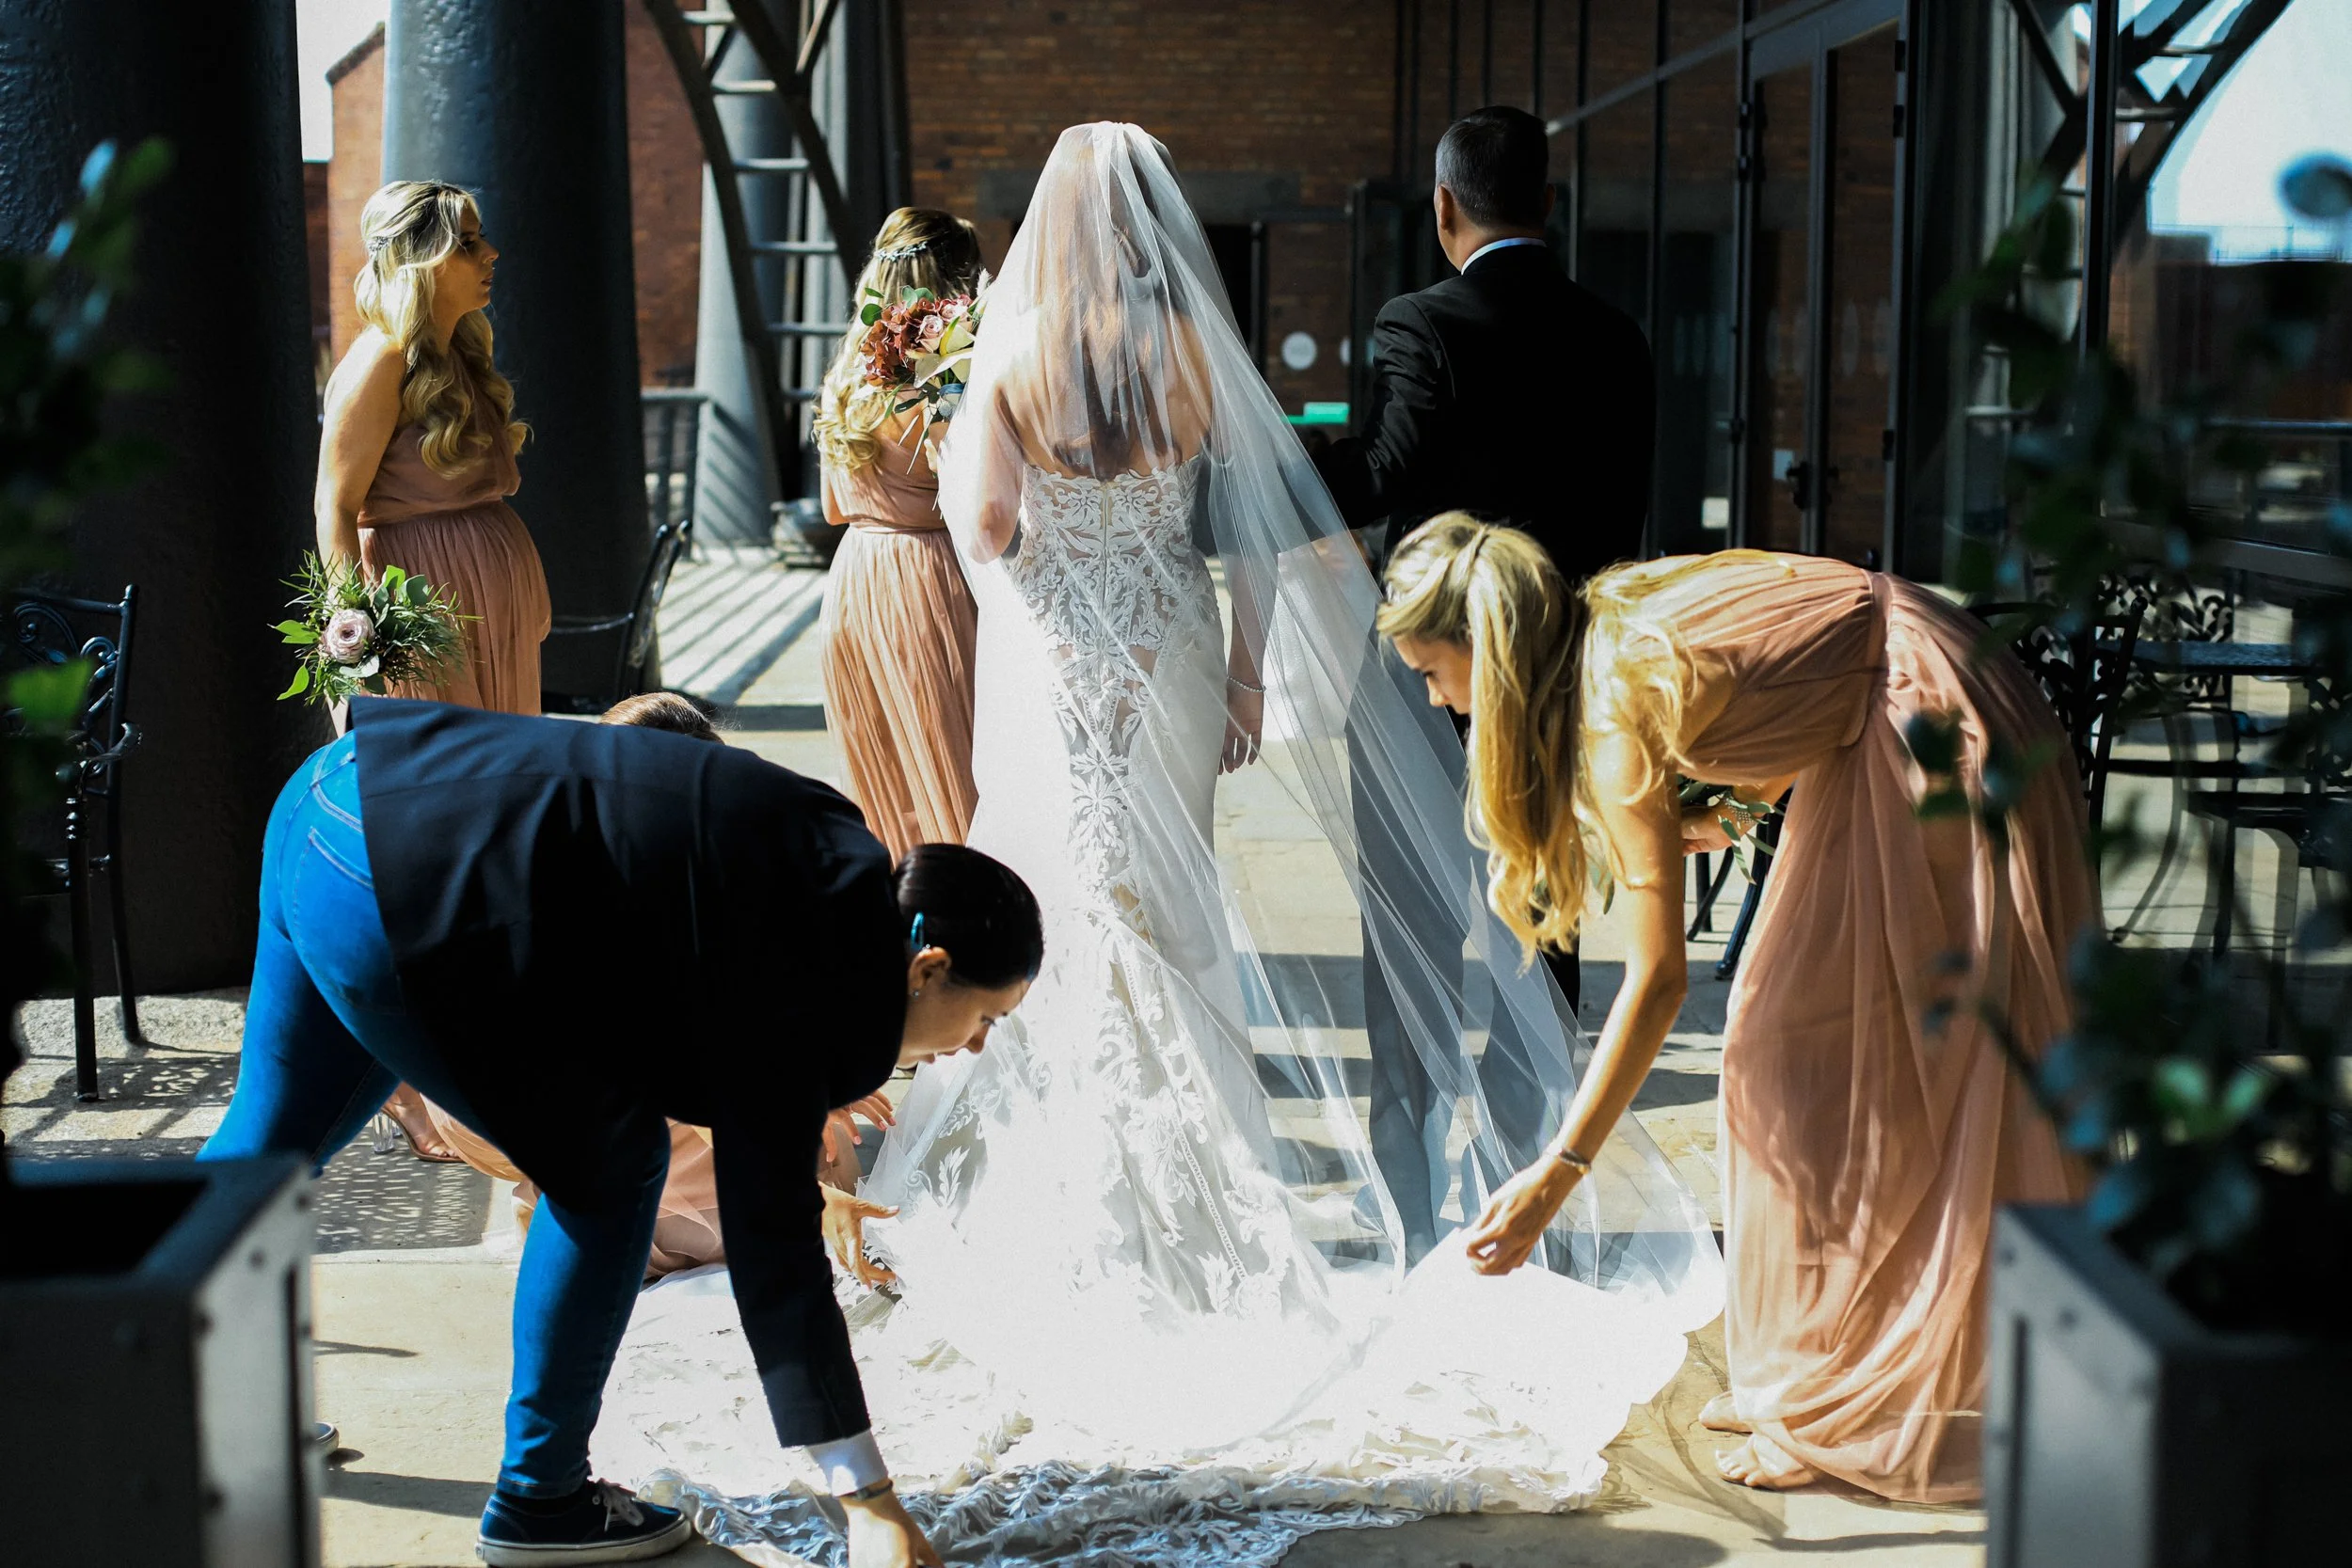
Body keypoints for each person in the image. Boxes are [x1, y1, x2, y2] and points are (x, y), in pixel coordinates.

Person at [596, 124, 1720, 1567]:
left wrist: (1009, 509)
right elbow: (1248, 523)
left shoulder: (1013, 356)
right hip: (1184, 660)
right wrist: (1247, 669)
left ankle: (1094, 1215)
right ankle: (1267, 1198)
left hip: (1068, 669)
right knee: (1177, 918)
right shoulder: (1191, 354)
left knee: (1071, 916)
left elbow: (988, 525)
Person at [200, 698, 1041, 1567]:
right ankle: (541, 1498)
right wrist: (869, 1502)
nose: (977, 1042)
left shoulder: (833, 850)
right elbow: (773, 1248)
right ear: (929, 967)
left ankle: (170, 1403)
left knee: (266, 1143)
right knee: (610, 1168)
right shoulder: (806, 980)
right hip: (399, 883)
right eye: (986, 1016)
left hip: (336, 791)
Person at [1376, 516, 2094, 1501]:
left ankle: (1832, 1396)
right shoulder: (1613, 616)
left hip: (1935, 730)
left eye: (1431, 669)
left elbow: (1659, 979)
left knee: (1814, 1060)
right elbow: (1807, 659)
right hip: (1903, 697)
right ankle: (1816, 1371)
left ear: (1488, 658)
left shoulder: (1611, 709)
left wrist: (1560, 1170)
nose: (1432, 695)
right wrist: (1741, 798)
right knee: (1798, 1051)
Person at [1311, 105, 1655, 1255]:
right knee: (1536, 933)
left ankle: (1414, 1220)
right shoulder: (1617, 338)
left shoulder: (1424, 321)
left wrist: (1242, 466)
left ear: (1444, 211)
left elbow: (1380, 471)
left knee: (1408, 947)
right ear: (1548, 207)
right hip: (1562, 686)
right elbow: (1622, 529)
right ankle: (1528, 1217)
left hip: (1420, 684)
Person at [314, 179, 552, 1164]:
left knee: (493, 842)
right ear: (421, 260)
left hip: (489, 606)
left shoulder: (455, 355)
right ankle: (405, 1081)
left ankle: (485, 1049)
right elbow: (332, 503)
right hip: (425, 617)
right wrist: (350, 632)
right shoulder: (375, 362)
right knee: (429, 851)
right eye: (470, 243)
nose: (490, 255)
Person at [814, 209, 987, 859]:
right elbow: (977, 500)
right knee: (955, 781)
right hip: (928, 582)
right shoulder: (942, 374)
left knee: (883, 787)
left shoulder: (849, 371)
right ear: (958, 279)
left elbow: (833, 507)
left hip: (855, 579)